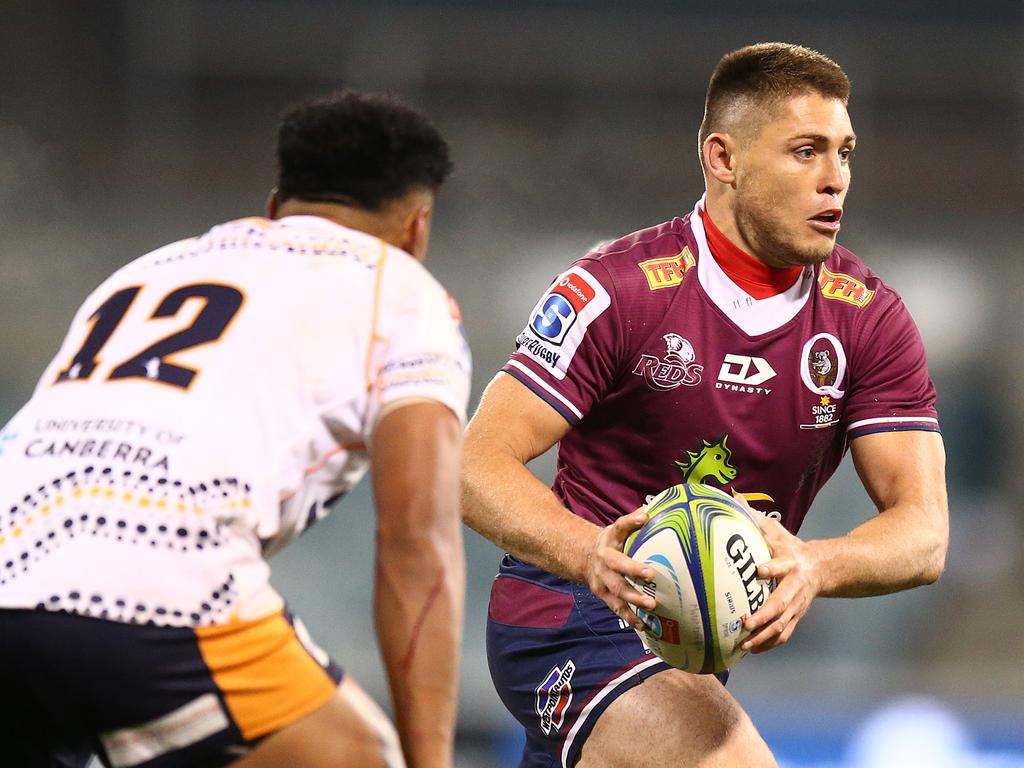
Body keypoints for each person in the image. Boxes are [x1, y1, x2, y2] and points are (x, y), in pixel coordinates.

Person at [462, 42, 948, 768]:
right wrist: (586, 552)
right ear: (724, 159)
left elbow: (924, 533)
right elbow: (473, 465)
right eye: (806, 152)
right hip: (571, 618)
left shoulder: (867, 318)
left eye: (845, 153)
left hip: (687, 648)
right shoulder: (616, 290)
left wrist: (815, 565)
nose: (834, 181)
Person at [0, 90, 470, 768]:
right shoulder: (401, 289)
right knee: (359, 756)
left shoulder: (146, 270)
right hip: (154, 585)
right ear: (417, 227)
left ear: (277, 203)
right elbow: (416, 543)